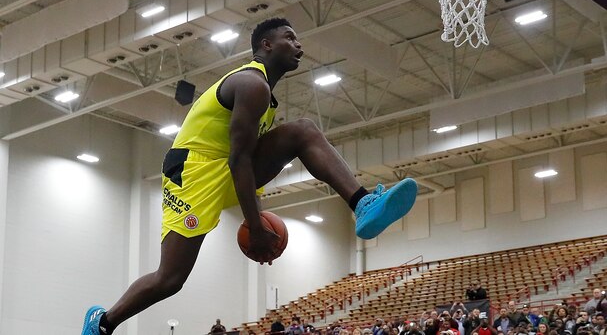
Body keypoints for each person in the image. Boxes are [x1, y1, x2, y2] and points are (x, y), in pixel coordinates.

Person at [80, 18, 419, 335]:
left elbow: (245, 162)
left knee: (302, 131)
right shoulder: (250, 84)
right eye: (290, 38)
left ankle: (363, 204)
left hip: (223, 166)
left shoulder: (265, 98)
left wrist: (257, 221)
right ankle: (103, 323)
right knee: (170, 278)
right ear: (266, 45)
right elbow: (239, 159)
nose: (299, 46)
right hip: (192, 171)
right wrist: (255, 227)